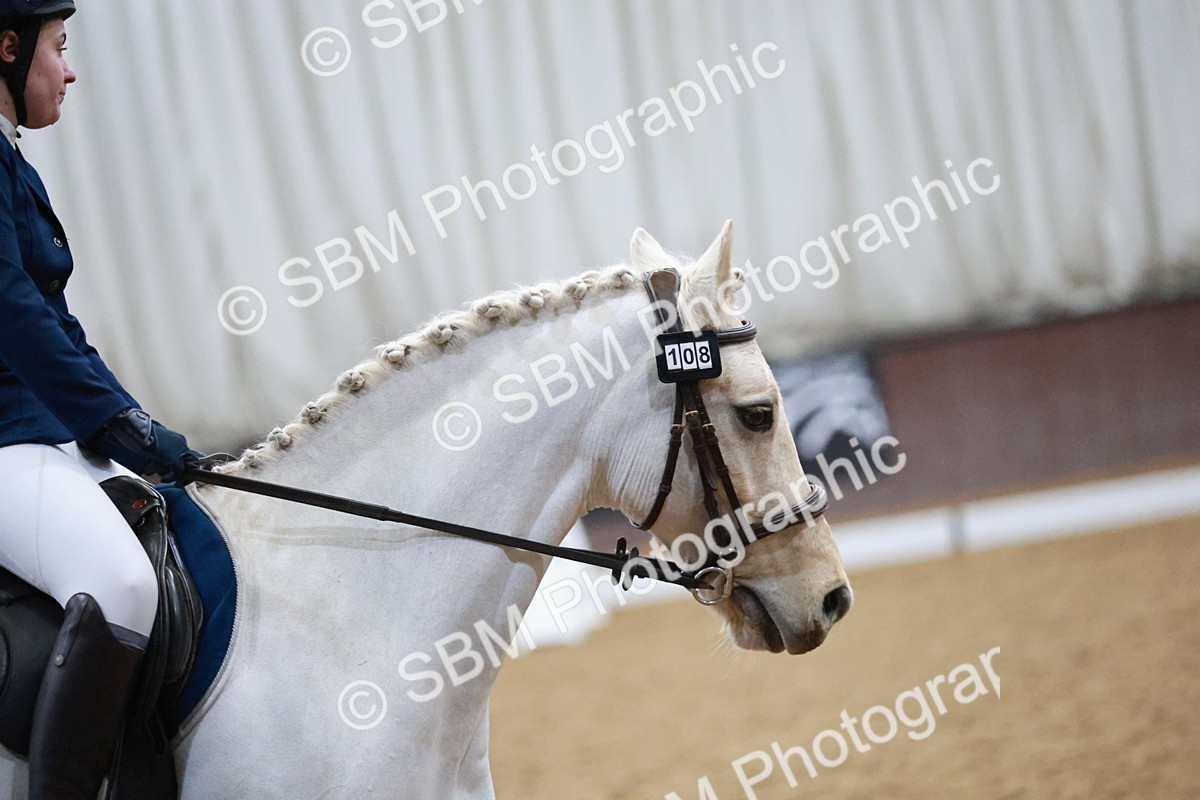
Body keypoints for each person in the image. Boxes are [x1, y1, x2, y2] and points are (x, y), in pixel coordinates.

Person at [0, 2, 202, 797]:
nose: (70, 70)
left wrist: (132, 425)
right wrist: (118, 424)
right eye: (60, 49)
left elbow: (60, 326)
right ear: (9, 49)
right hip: (6, 444)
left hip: (37, 437)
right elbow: (14, 315)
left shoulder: (15, 165)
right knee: (119, 582)